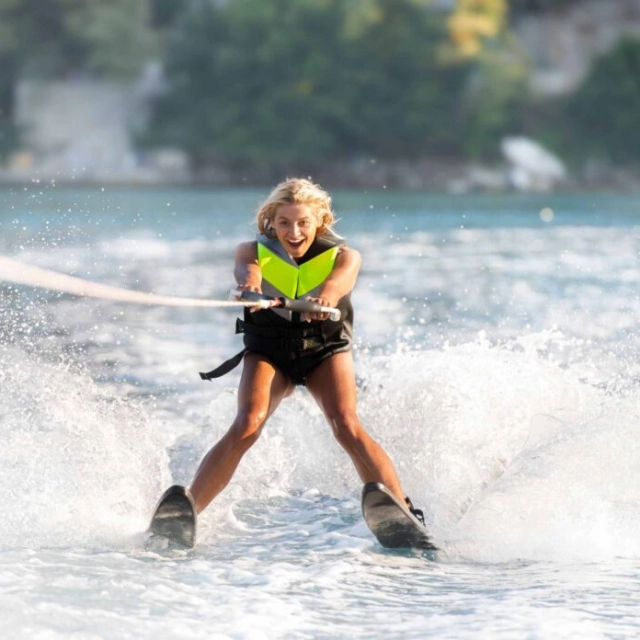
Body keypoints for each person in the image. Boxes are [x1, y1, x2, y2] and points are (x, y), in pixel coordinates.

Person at [191, 178, 423, 522]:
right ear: (271, 222)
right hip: (269, 353)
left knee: (345, 424)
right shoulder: (250, 251)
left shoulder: (346, 256)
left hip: (324, 351)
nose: (294, 232)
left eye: (303, 223)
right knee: (247, 424)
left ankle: (405, 512)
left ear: (320, 222)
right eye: (284, 222)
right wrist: (250, 290)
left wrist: (323, 299)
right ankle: (185, 513)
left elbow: (338, 283)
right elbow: (248, 273)